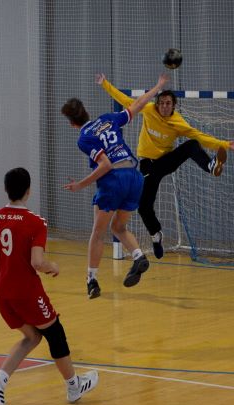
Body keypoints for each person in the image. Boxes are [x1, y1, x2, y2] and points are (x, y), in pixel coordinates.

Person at [0, 167, 98, 405]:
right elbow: (37, 262)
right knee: (55, 333)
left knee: (32, 337)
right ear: (28, 191)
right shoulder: (35, 222)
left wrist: (6, 255)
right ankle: (73, 386)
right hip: (26, 291)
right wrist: (53, 266)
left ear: (6, 189)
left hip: (2, 293)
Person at [97, 74, 234, 259]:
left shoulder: (178, 122)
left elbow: (199, 136)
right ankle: (156, 235)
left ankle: (210, 165)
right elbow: (125, 100)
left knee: (192, 144)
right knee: (144, 207)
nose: (164, 106)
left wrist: (224, 144)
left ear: (173, 105)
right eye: (162, 103)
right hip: (147, 164)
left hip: (165, 162)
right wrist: (105, 84)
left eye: (168, 103)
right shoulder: (149, 110)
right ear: (157, 104)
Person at [61, 73, 170, 299]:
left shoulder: (84, 138)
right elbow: (138, 105)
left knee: (97, 233)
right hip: (134, 177)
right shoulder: (108, 118)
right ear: (86, 111)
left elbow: (105, 165)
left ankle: (92, 281)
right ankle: (138, 256)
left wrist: (81, 185)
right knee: (118, 227)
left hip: (114, 180)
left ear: (72, 123)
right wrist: (157, 86)